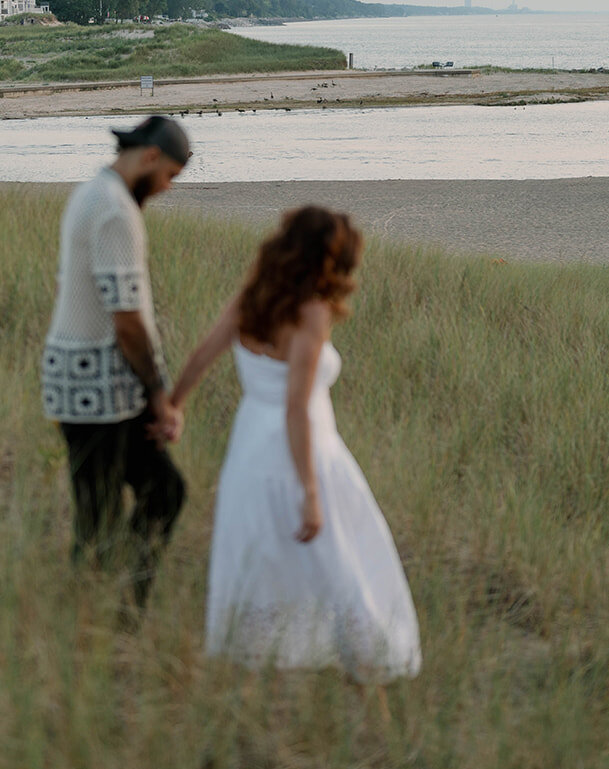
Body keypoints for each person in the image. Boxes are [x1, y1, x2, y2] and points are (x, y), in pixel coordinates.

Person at [170, 206, 421, 678]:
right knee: (343, 571)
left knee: (263, 571)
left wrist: (175, 404)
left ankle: (257, 687)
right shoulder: (312, 311)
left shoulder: (254, 296)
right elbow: (295, 407)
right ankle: (371, 699)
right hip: (306, 454)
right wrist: (309, 491)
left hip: (248, 453)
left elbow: (203, 353)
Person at [42, 115, 191, 608]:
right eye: (169, 175)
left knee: (155, 494)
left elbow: (69, 289)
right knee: (107, 517)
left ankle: (119, 608)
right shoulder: (115, 211)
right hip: (95, 389)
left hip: (88, 382)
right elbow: (127, 321)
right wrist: (159, 395)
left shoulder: (89, 194)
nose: (168, 188)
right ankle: (110, 619)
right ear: (149, 157)